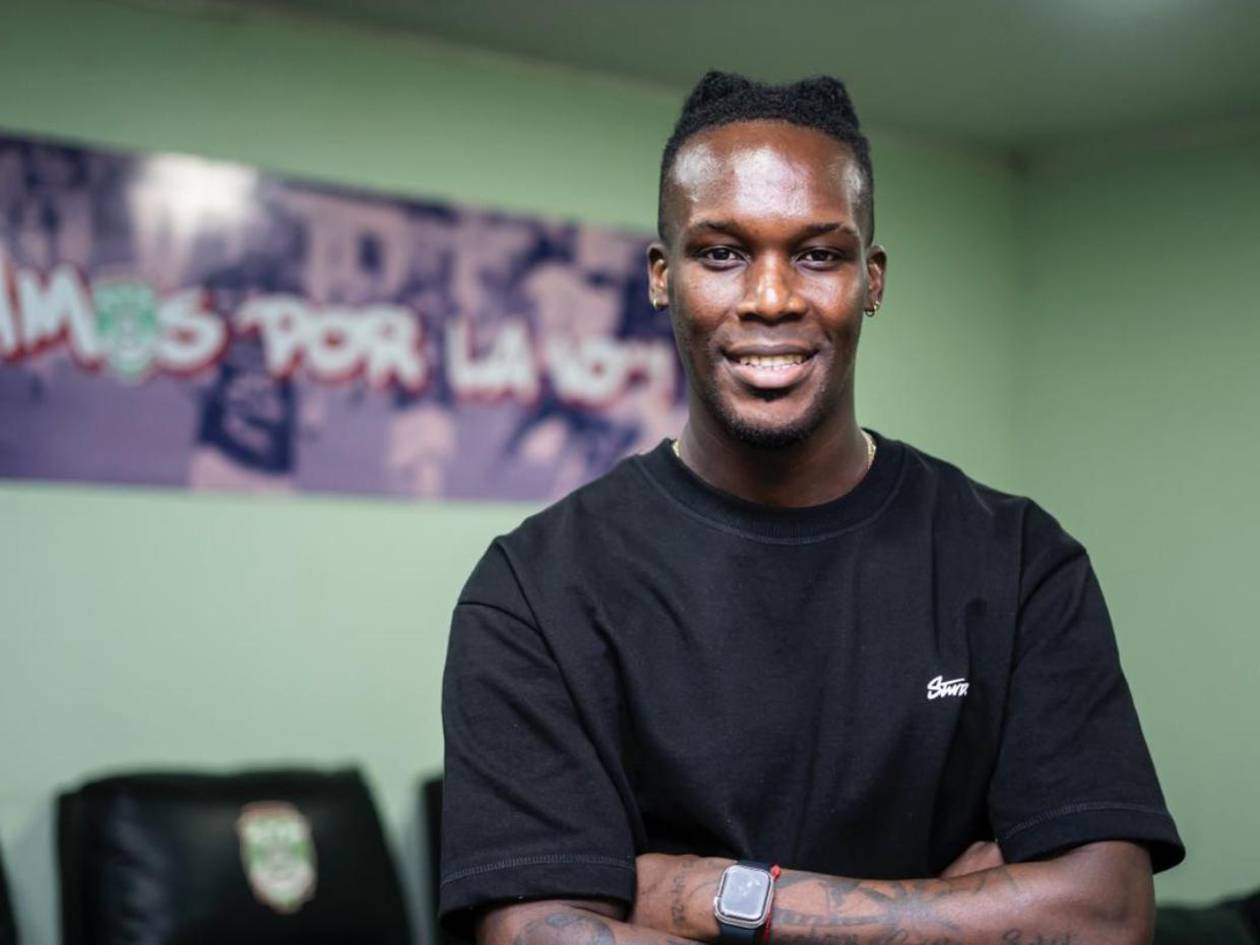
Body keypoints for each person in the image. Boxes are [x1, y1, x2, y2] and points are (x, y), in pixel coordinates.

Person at [439, 72, 1183, 945]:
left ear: (872, 279)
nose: (770, 297)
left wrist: (712, 893)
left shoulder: (1018, 562)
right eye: (722, 253)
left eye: (819, 255)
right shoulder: (535, 589)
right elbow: (534, 933)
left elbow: (1104, 914)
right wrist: (960, 910)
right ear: (662, 277)